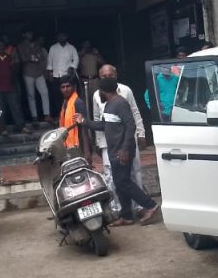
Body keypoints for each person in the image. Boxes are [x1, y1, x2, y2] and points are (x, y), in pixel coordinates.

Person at [77, 77, 158, 227]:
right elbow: (103, 125)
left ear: (103, 91)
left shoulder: (120, 103)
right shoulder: (109, 105)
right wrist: (84, 122)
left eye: (99, 91)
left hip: (121, 151)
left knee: (123, 182)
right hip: (114, 151)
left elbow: (131, 126)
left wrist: (125, 149)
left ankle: (150, 205)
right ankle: (126, 216)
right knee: (119, 183)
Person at [92, 64, 146, 211]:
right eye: (104, 76)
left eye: (110, 76)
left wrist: (141, 133)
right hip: (108, 142)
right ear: (100, 78)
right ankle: (118, 208)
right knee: (110, 176)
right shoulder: (97, 95)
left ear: (116, 76)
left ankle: (140, 207)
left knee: (134, 172)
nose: (107, 78)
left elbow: (135, 113)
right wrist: (98, 142)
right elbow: (97, 119)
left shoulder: (126, 90)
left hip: (127, 141)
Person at [0, 39, 27, 133]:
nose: (0, 48)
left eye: (2, 46)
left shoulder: (10, 58)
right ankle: (2, 129)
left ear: (5, 48)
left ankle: (21, 127)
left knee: (16, 107)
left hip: (10, 86)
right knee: (0, 109)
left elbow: (16, 69)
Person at [17, 28, 51, 124]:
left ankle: (47, 115)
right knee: (31, 95)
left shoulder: (37, 44)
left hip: (39, 72)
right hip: (28, 73)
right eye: (28, 33)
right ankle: (34, 117)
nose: (30, 35)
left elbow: (41, 57)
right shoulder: (20, 46)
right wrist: (33, 57)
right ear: (24, 35)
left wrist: (32, 58)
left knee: (45, 92)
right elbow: (23, 59)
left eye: (31, 33)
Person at [57, 76, 91, 161]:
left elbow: (84, 127)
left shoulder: (78, 102)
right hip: (68, 146)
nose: (65, 89)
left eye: (68, 86)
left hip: (79, 145)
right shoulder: (65, 103)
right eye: (63, 87)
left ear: (73, 87)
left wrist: (87, 152)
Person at [78, 40, 105, 114]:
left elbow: (103, 63)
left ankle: (97, 116)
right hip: (84, 80)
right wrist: (80, 55)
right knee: (85, 100)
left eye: (88, 45)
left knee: (96, 98)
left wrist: (97, 54)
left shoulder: (94, 55)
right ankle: (87, 117)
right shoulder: (80, 55)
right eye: (85, 45)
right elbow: (76, 65)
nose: (87, 47)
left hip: (94, 80)